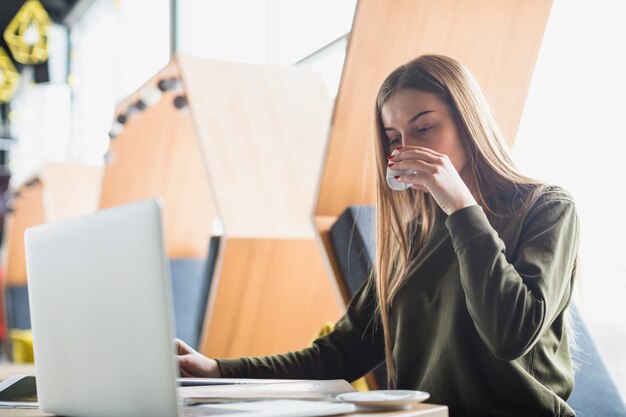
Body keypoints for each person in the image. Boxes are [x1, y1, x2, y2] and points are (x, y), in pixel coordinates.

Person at [176, 55, 580, 417]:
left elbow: (511, 334)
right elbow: (339, 356)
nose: (407, 149)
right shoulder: (414, 237)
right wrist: (216, 370)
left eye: (423, 127)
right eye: (394, 139)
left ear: (467, 121)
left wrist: (461, 206)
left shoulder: (545, 208)